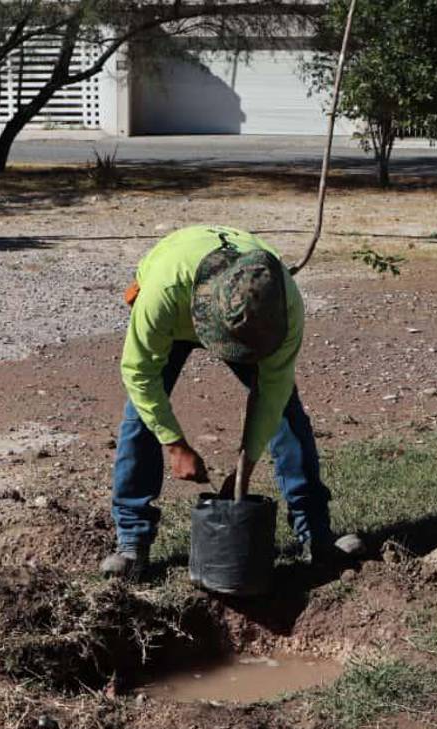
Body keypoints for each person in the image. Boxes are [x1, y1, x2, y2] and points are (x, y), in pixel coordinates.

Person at [102, 225, 365, 580]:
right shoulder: (163, 292)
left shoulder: (282, 304)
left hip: (242, 317)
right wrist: (175, 444)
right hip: (177, 306)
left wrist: (246, 467)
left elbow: (272, 394)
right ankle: (132, 542)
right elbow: (139, 373)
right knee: (140, 418)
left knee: (288, 415)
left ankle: (316, 534)